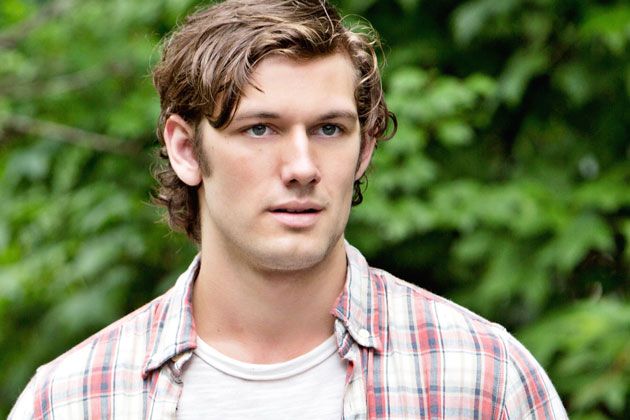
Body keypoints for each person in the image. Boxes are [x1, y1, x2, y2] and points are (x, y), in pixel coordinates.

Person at [10, 0, 568, 418]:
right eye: (259, 129)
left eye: (329, 128)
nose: (302, 166)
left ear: (365, 148)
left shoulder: (484, 380)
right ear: (186, 149)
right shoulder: (73, 400)